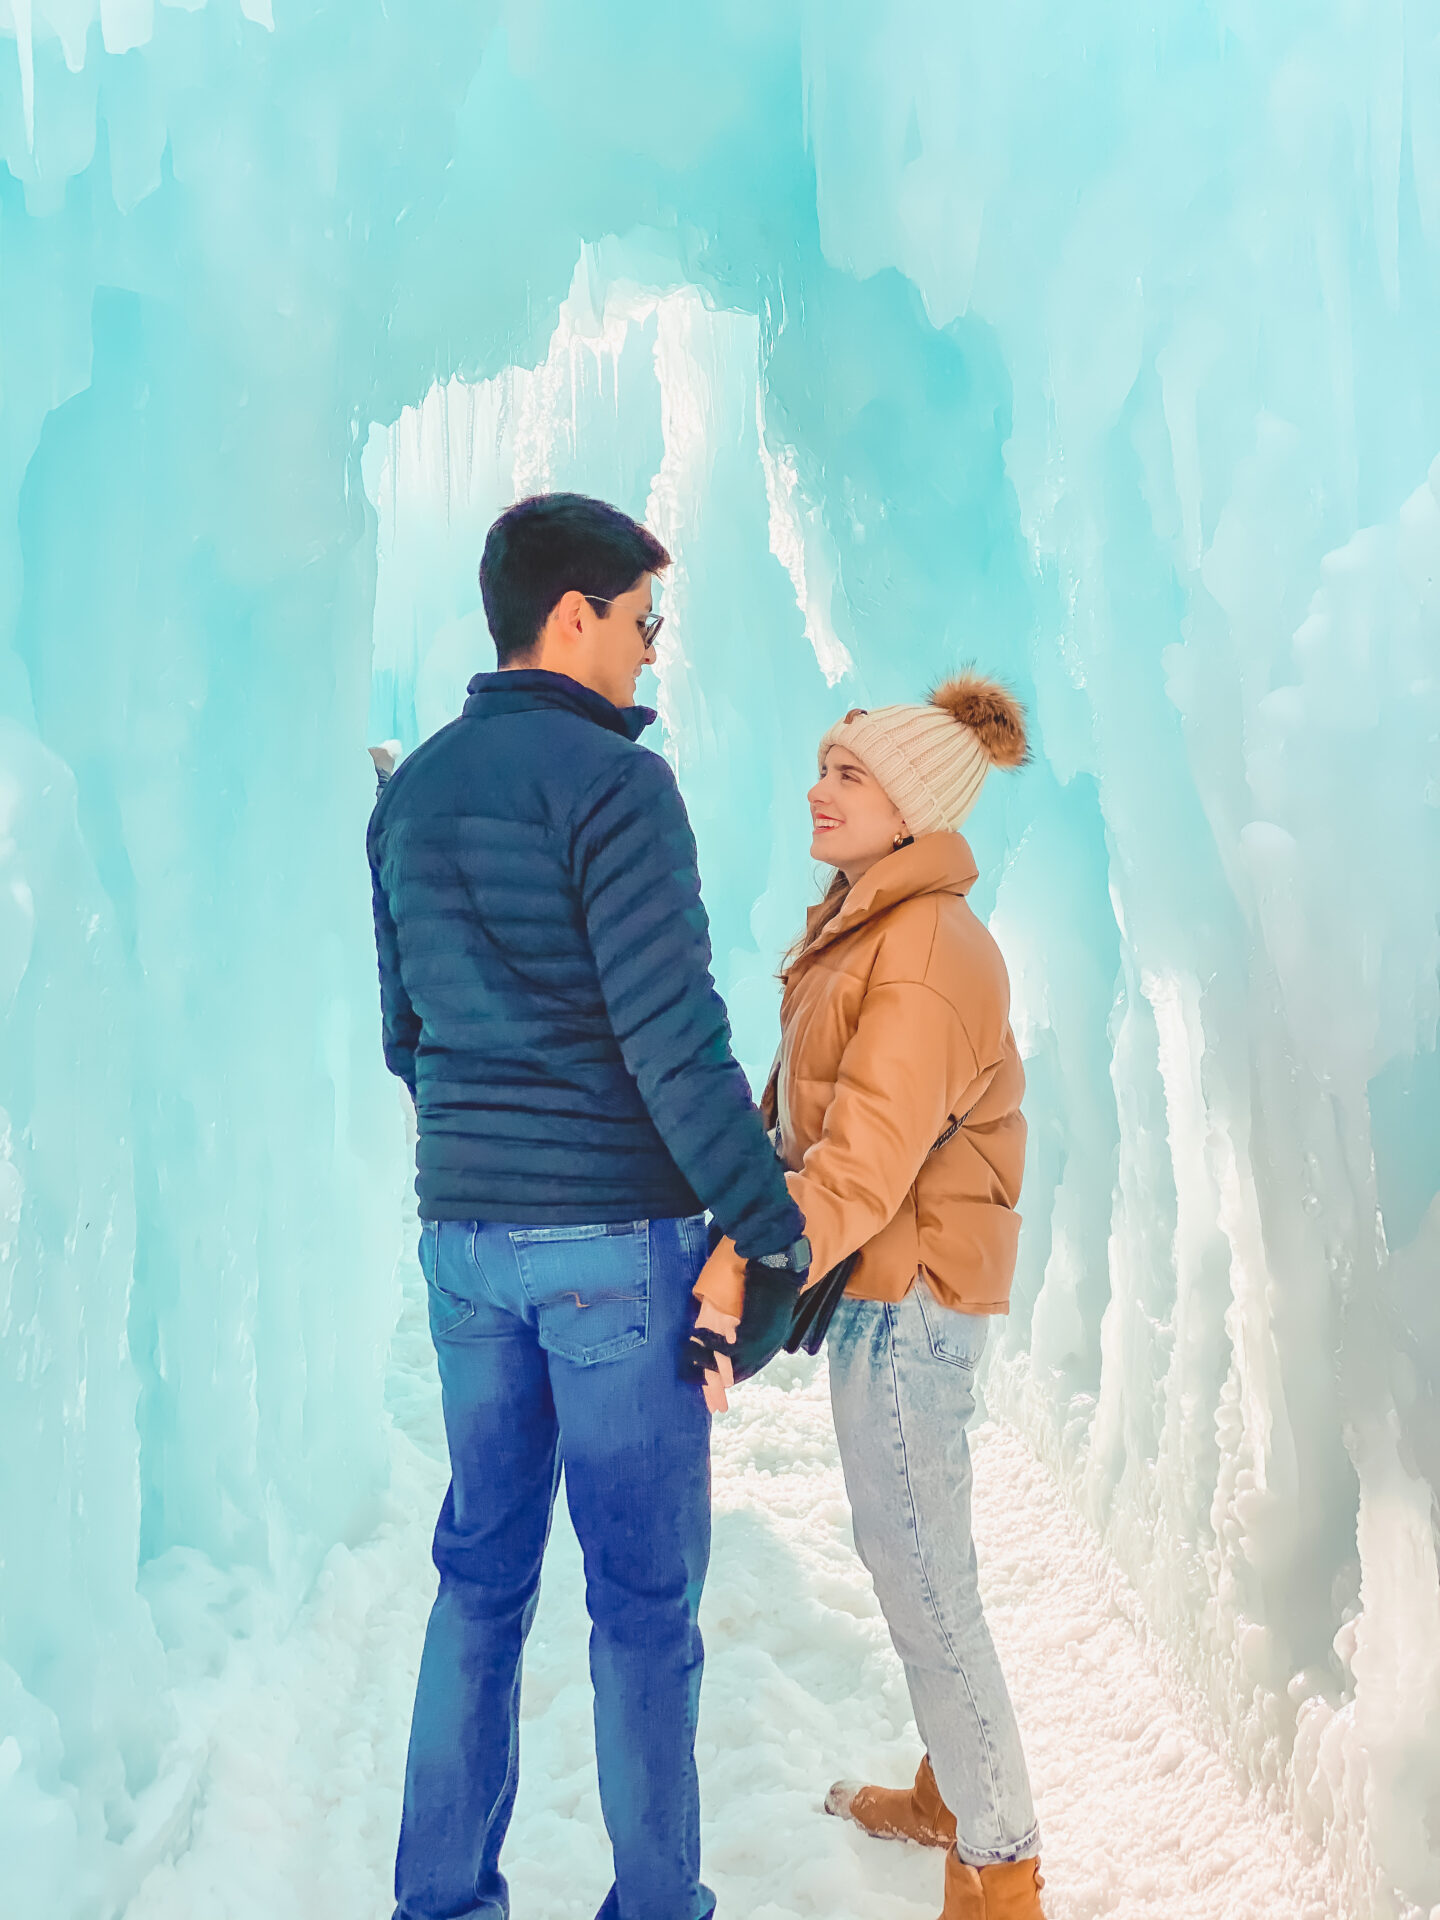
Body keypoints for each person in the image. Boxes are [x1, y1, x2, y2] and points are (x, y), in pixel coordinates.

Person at [367, 491, 809, 1920]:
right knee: (638, 1611)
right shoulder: (621, 789)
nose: (650, 654)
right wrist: (773, 1231)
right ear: (574, 615)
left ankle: (440, 1904)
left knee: (479, 1582)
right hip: (614, 1254)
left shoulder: (413, 792)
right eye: (641, 623)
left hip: (466, 1246)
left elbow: (407, 1036)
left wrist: (492, 1153)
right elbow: (674, 1043)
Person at [690, 674, 1046, 1920]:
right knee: (913, 1560)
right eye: (823, 765)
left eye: (847, 772)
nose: (817, 789)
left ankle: (1001, 1872)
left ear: (911, 804)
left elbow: (865, 1155)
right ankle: (953, 1792)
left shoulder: (931, 947)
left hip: (913, 1303)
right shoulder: (874, 921)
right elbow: (818, 1119)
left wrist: (748, 1254)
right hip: (886, 1293)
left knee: (926, 1575)